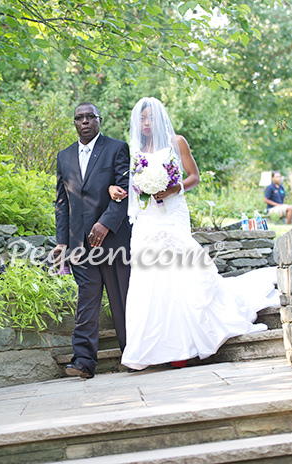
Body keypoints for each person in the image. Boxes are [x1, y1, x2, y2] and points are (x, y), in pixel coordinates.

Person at [108, 97, 279, 371]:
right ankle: (157, 346)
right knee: (151, 277)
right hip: (148, 217)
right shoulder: (135, 150)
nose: (147, 123)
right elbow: (131, 184)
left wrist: (173, 188)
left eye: (151, 117)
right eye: (142, 118)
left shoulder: (177, 142)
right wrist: (121, 190)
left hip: (172, 213)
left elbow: (194, 176)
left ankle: (188, 345)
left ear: (161, 118)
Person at [53, 102, 132, 379]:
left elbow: (124, 192)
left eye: (90, 116)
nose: (85, 121)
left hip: (113, 242)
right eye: (79, 117)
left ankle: (132, 356)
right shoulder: (64, 157)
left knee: (120, 300)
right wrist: (61, 242)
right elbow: (62, 204)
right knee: (86, 302)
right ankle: (83, 362)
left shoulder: (116, 148)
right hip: (78, 245)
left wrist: (105, 224)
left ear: (100, 119)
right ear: (74, 122)